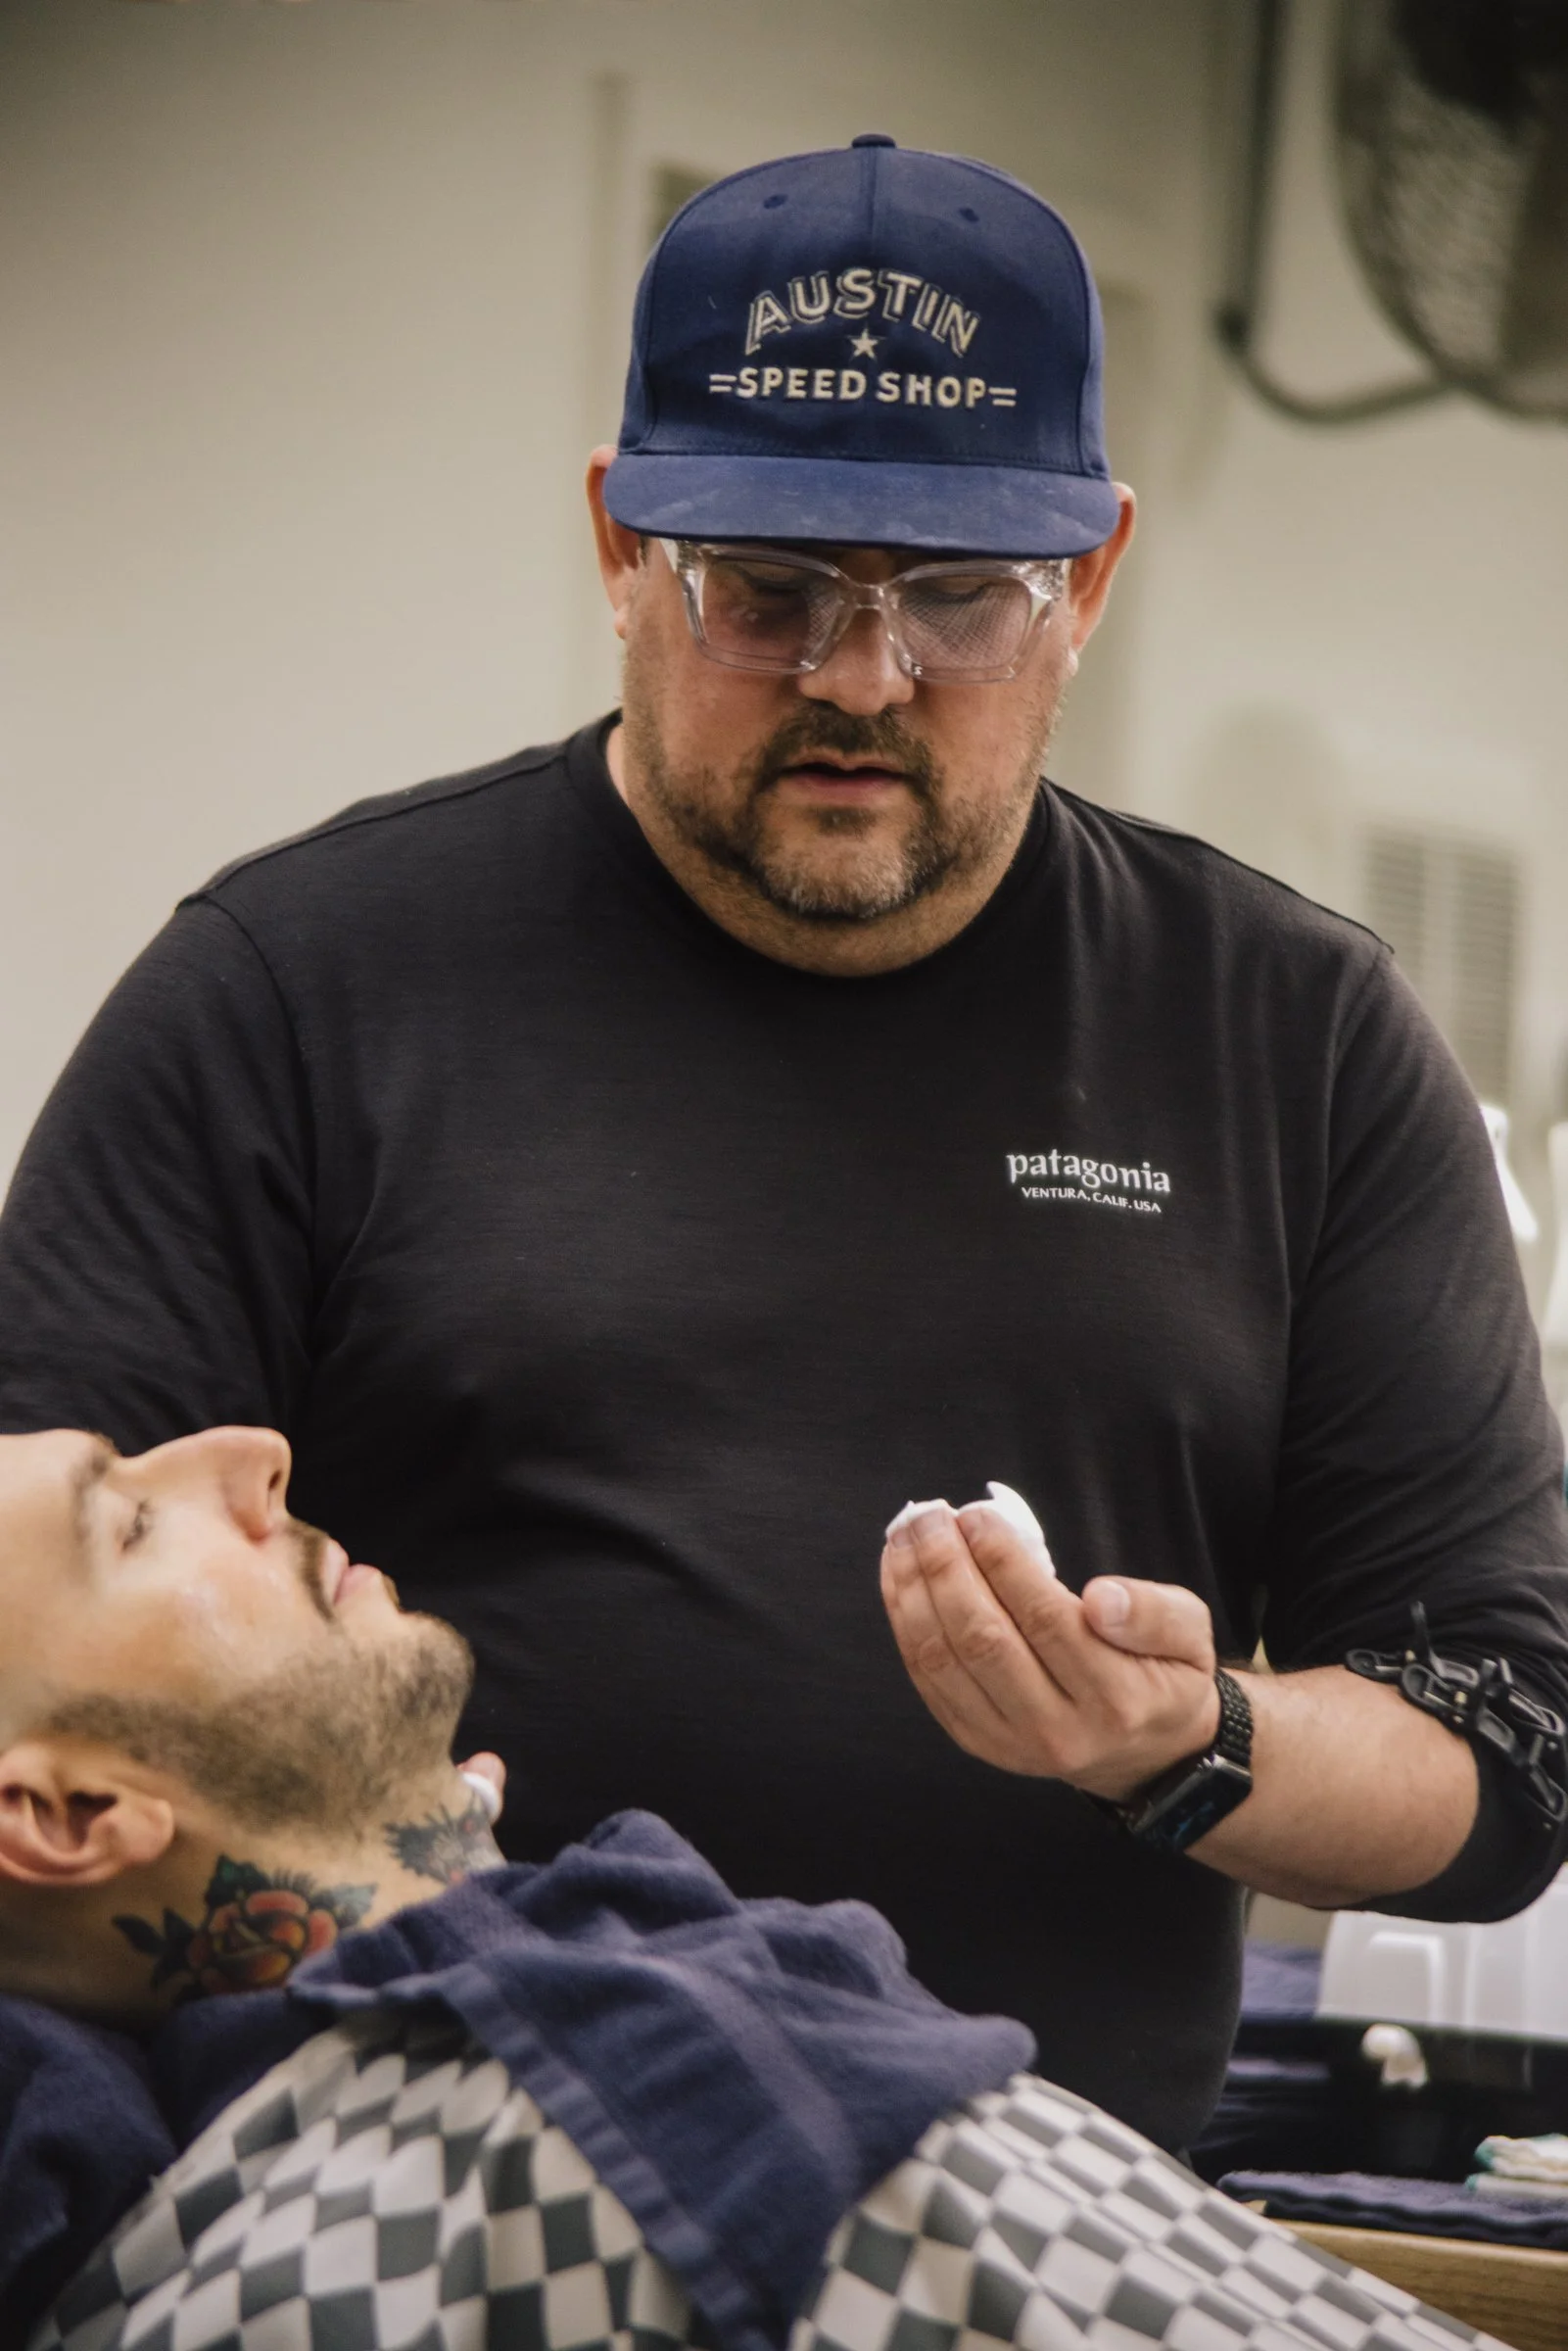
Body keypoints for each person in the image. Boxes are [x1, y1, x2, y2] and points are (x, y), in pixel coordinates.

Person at [2, 135, 1567, 2159]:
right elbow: (28, 1681)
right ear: (615, 543)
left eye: (953, 601)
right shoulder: (294, 993)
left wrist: (1185, 1740)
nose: (858, 678)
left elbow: (1502, 1769)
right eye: (763, 594)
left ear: (1086, 575)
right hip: (417, 2229)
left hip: (1042, 2255)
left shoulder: (1297, 1036)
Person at [0, 1423, 1521, 2351]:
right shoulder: (504, 2167)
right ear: (68, 1816)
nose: (251, 1448)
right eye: (130, 1521)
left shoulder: (545, 2039)